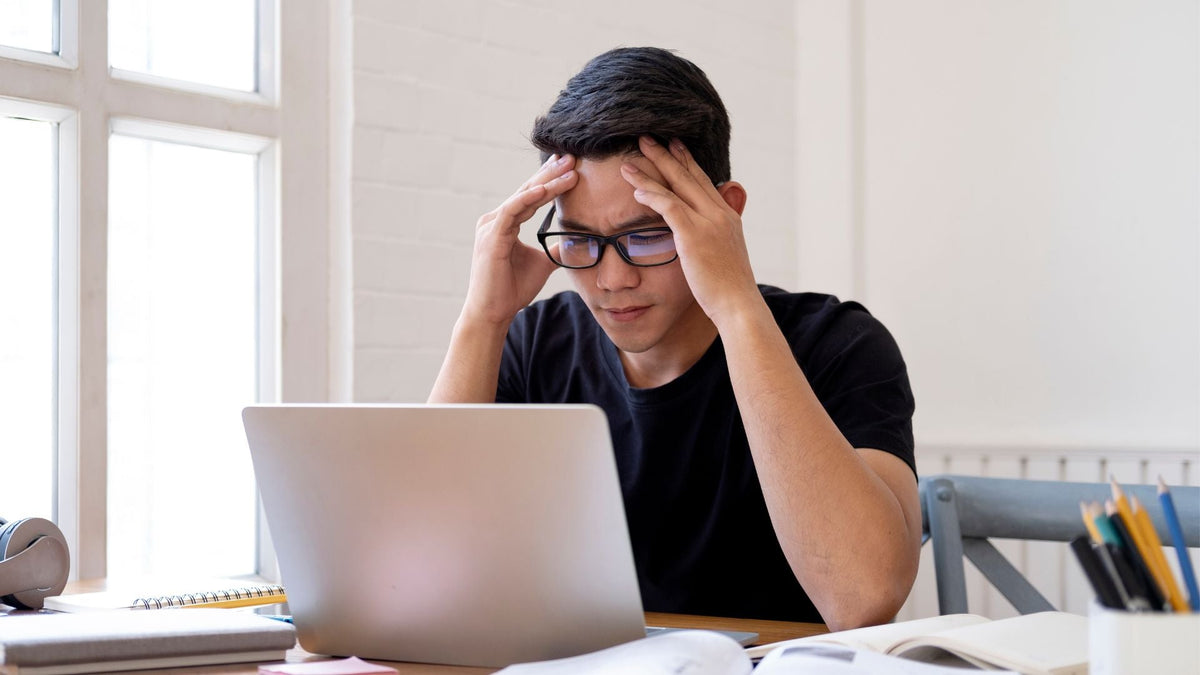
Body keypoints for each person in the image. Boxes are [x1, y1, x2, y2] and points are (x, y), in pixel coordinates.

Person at [429, 47, 920, 630]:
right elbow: (417, 570)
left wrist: (737, 307)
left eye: (647, 235)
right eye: (579, 240)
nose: (613, 279)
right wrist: (481, 320)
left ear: (725, 213)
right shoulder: (533, 342)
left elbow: (863, 597)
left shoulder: (840, 344)